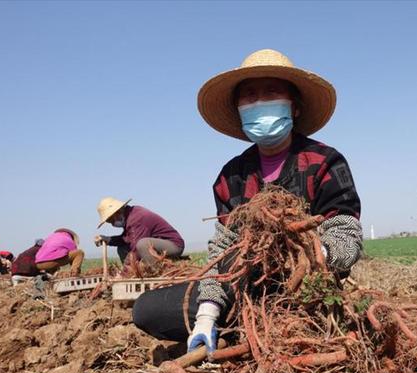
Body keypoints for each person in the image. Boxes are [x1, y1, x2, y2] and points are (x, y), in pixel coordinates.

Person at [132, 49, 363, 354]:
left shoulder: (324, 161)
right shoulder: (232, 176)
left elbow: (347, 232)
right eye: (250, 96)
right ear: (239, 110)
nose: (260, 103)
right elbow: (223, 252)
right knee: (148, 309)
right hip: (242, 287)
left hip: (308, 289)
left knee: (304, 307)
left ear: (294, 107)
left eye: (271, 93)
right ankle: (246, 323)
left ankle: (270, 324)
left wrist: (311, 253)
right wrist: (206, 314)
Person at [94, 197, 185, 266]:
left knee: (142, 244)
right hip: (158, 245)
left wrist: (123, 273)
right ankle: (135, 271)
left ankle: (155, 271)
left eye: (110, 220)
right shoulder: (130, 216)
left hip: (174, 245)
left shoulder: (136, 218)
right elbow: (127, 239)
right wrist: (108, 239)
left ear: (116, 213)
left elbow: (135, 249)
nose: (112, 224)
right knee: (122, 248)